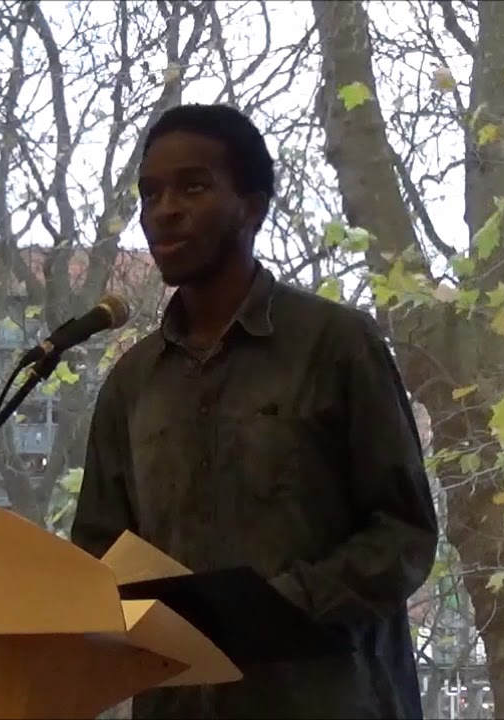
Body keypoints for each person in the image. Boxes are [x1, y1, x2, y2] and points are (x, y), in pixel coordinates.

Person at [70, 103, 438, 719]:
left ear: (253, 206)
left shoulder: (337, 345)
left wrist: (275, 608)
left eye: (192, 187)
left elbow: (404, 535)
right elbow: (100, 550)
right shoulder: (132, 383)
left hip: (325, 702)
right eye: (151, 194)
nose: (164, 210)